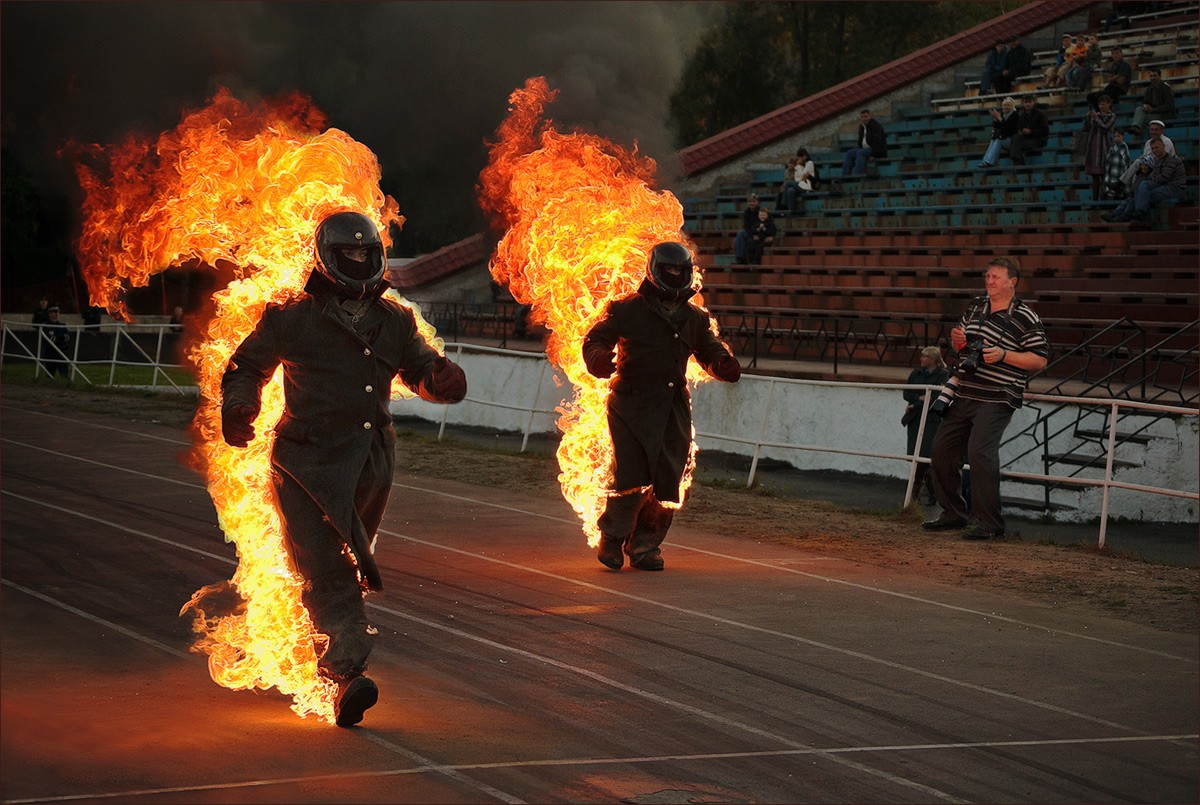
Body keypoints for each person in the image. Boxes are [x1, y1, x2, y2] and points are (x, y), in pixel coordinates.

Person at [220, 210, 467, 727]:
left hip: (370, 466)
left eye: (366, 254)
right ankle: (345, 673)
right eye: (347, 255)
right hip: (304, 465)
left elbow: (420, 368)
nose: (358, 263)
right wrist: (239, 407)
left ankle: (332, 663)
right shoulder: (291, 315)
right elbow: (247, 367)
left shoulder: (396, 320)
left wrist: (440, 381)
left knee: (348, 564)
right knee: (328, 566)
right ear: (326, 259)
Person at [582, 242, 741, 571]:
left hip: (672, 406)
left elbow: (709, 350)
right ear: (655, 271)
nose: (675, 276)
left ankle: (645, 547)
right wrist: (597, 358)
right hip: (629, 404)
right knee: (631, 474)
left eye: (680, 271)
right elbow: (595, 338)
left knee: (670, 478)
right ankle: (612, 538)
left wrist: (722, 363)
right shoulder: (625, 309)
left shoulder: (694, 317)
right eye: (668, 270)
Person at [923, 258, 1049, 540]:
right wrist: (958, 341)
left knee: (980, 453)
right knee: (942, 451)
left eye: (995, 276)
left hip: (998, 395)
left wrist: (1004, 355)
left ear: (1012, 282)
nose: (989, 280)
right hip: (965, 391)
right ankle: (954, 513)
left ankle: (990, 523)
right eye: (987, 276)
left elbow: (1039, 360)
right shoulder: (976, 306)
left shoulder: (1026, 316)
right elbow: (963, 348)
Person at [1100, 136, 1186, 225]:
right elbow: (1154, 177)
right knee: (1140, 191)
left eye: (1157, 147)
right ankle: (1121, 215)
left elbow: (1163, 178)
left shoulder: (1172, 159)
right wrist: (1153, 178)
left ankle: (1137, 214)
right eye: (1153, 148)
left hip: (1174, 188)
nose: (1155, 150)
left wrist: (1153, 178)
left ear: (1163, 146)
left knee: (1143, 192)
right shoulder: (1159, 160)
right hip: (1164, 185)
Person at [902, 346, 950, 505]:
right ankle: (928, 493)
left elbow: (936, 397)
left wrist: (915, 404)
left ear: (933, 359)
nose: (921, 359)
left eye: (925, 357)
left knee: (925, 457)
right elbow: (906, 393)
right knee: (918, 457)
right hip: (916, 420)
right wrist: (919, 400)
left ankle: (918, 492)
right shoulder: (916, 373)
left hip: (931, 420)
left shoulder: (942, 375)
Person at [1081, 94, 1117, 200]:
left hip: (1104, 148)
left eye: (1104, 104)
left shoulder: (1112, 116)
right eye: (1100, 104)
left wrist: (1095, 118)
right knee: (1095, 177)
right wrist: (1088, 118)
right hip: (1093, 147)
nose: (1101, 106)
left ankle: (1104, 197)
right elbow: (1086, 128)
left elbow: (1105, 127)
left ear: (1109, 104)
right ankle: (1095, 199)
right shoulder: (1095, 115)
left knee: (1104, 175)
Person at [1127, 68, 1176, 138]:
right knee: (1139, 109)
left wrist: (1153, 109)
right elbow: (1145, 101)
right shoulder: (1149, 89)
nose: (1153, 78)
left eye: (1154, 75)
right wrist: (1145, 106)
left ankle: (1137, 137)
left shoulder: (1166, 88)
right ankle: (1135, 127)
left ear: (1159, 76)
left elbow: (1168, 106)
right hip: (1153, 114)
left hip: (1164, 115)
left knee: (1141, 120)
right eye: (1151, 76)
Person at [841, 109, 887, 177]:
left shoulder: (876, 126)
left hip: (876, 150)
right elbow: (860, 141)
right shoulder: (861, 126)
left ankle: (857, 176)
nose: (864, 118)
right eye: (862, 117)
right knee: (849, 153)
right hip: (865, 149)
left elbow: (878, 143)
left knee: (860, 153)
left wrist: (874, 155)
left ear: (870, 116)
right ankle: (844, 177)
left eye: (865, 116)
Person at [978, 97, 1019, 168]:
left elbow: (1008, 129)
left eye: (1008, 105)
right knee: (993, 139)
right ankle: (985, 161)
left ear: (1012, 106)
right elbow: (997, 127)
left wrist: (999, 118)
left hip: (1013, 141)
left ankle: (989, 162)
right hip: (1005, 138)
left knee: (998, 141)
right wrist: (995, 119)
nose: (1006, 107)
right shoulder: (1003, 115)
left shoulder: (1015, 115)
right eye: (1004, 105)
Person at [1009, 95, 1049, 165]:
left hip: (1038, 139)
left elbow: (1045, 131)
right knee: (1015, 137)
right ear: (1023, 103)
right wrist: (1021, 131)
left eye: (1030, 102)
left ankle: (1018, 162)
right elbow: (1019, 128)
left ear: (1034, 102)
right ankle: (1018, 160)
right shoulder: (1022, 116)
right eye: (1026, 102)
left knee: (1017, 145)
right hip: (1027, 138)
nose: (1028, 104)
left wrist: (1031, 132)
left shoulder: (1040, 114)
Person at [41, 305, 72, 378]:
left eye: (58, 312)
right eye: (55, 312)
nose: (57, 314)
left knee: (65, 376)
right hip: (50, 354)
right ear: (50, 314)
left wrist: (58, 338)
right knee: (49, 376)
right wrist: (61, 338)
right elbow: (51, 339)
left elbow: (67, 338)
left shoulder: (62, 325)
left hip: (61, 353)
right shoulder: (46, 326)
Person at [732, 193, 762, 263]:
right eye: (750, 201)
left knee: (740, 235)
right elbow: (746, 227)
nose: (752, 203)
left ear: (757, 202)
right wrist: (752, 235)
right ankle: (739, 258)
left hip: (759, 233)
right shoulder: (747, 212)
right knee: (740, 236)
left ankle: (739, 258)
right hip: (750, 233)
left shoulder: (761, 212)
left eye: (754, 201)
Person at [1103, 127, 1131, 199]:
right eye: (1115, 136)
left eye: (1119, 136)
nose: (1116, 138)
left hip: (1120, 174)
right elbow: (1108, 162)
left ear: (1123, 137)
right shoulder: (1112, 148)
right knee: (1111, 193)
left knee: (1121, 191)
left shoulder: (1123, 146)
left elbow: (1127, 161)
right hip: (1111, 174)